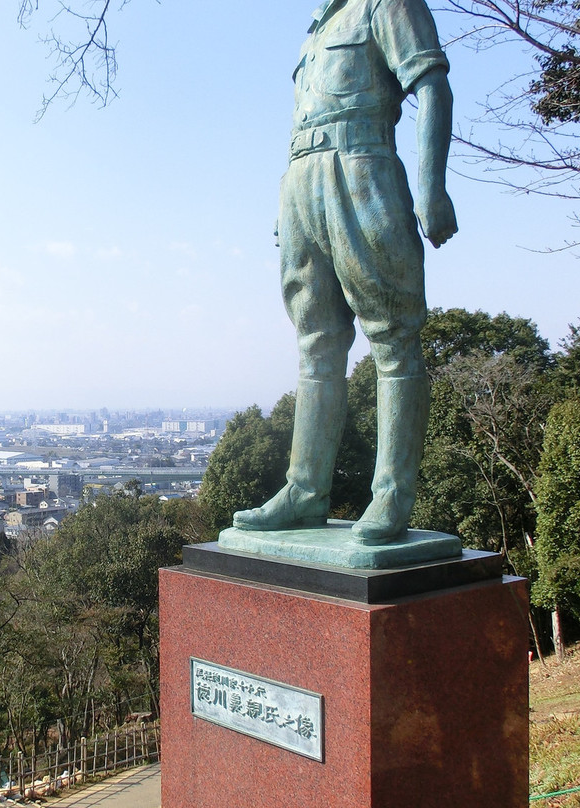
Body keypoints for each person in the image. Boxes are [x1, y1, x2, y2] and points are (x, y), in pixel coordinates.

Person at [232, 0, 457, 544]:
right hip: (301, 182)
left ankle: (392, 495)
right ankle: (304, 490)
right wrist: (288, 206)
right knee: (316, 341)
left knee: (393, 334)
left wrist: (430, 184)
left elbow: (431, 86)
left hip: (363, 168)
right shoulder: (315, 29)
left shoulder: (386, 4)